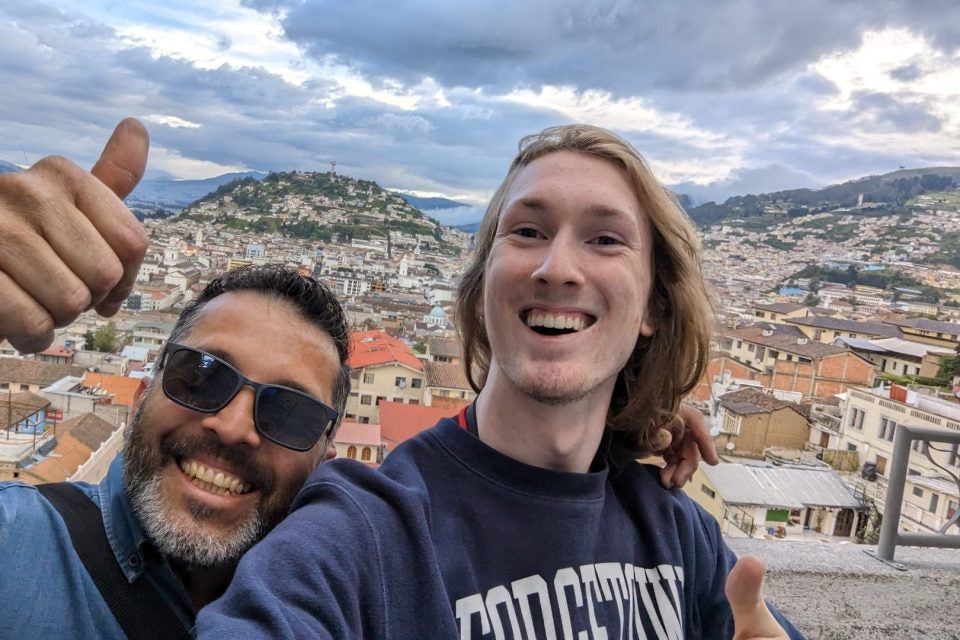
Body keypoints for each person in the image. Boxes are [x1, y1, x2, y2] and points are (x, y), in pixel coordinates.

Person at [196, 125, 805, 638]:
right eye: (528, 232)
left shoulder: (680, 536)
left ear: (653, 309)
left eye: (606, 239)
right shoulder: (367, 534)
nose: (557, 267)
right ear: (482, 288)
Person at [0, 263, 352, 638]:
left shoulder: (334, 617)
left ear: (321, 464)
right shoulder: (13, 538)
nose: (233, 428)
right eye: (201, 378)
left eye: (290, 412)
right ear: (138, 401)